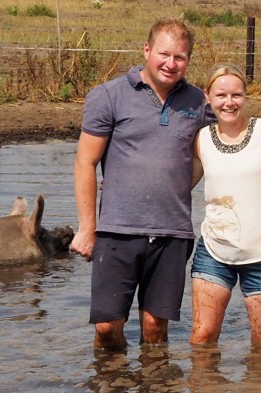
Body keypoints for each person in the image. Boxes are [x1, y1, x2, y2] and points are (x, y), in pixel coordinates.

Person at [70, 18, 214, 351]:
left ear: (188, 60)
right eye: (164, 54)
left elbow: (231, 144)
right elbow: (85, 163)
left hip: (172, 232)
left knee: (154, 327)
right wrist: (87, 227)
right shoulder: (108, 96)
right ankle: (111, 387)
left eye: (180, 57)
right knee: (107, 327)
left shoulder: (198, 103)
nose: (171, 64)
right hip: (116, 230)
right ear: (146, 50)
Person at [188, 64, 261, 346]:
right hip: (214, 251)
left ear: (245, 96)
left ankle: (258, 392)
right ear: (208, 96)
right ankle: (205, 391)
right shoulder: (201, 139)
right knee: (202, 337)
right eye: (221, 95)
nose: (229, 103)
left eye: (236, 95)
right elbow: (179, 185)